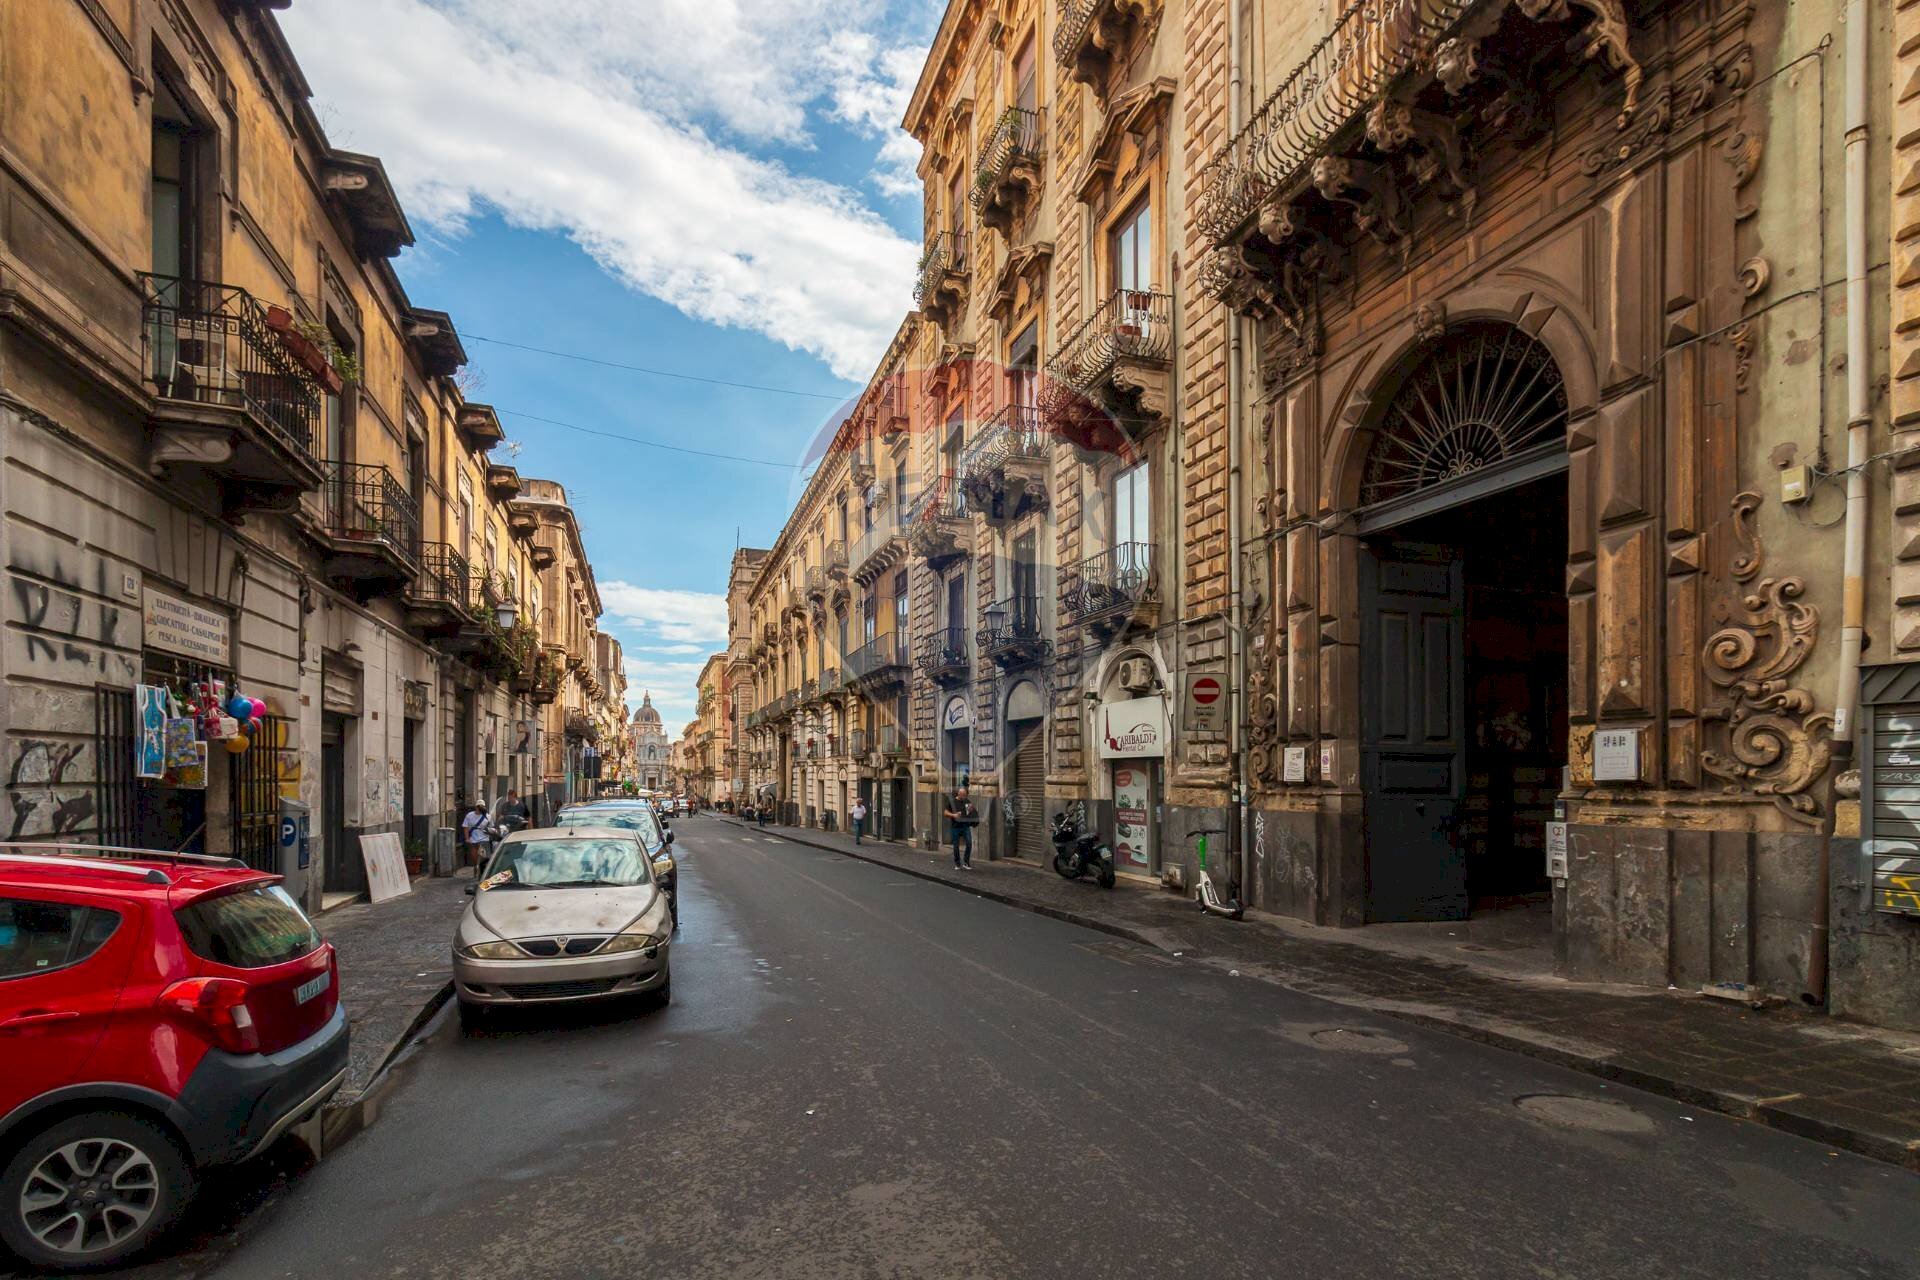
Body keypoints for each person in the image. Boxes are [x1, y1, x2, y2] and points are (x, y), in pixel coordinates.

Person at [943, 787, 979, 870]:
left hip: (965, 826)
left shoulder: (967, 801)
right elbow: (945, 813)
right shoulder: (952, 802)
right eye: (963, 795)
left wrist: (972, 816)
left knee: (969, 843)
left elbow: (970, 812)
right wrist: (954, 815)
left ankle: (966, 862)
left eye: (965, 795)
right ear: (959, 794)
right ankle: (957, 863)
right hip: (955, 827)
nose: (964, 797)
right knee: (956, 846)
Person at [460, 799, 492, 871]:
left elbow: (491, 827)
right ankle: (476, 865)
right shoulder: (469, 815)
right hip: (473, 838)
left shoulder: (488, 816)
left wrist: (489, 831)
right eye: (478, 806)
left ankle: (482, 869)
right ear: (476, 807)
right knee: (474, 855)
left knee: (483, 855)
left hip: (484, 838)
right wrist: (467, 838)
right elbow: (465, 826)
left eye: (481, 806)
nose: (479, 808)